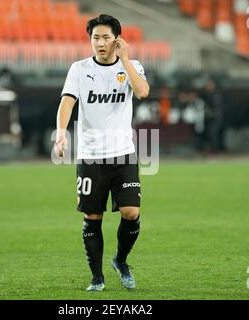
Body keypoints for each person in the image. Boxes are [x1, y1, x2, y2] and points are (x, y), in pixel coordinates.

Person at [54, 14, 150, 292]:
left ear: (117, 39)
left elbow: (142, 91)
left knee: (131, 213)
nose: (100, 42)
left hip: (123, 155)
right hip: (91, 156)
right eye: (95, 37)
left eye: (106, 37)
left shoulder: (132, 67)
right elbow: (66, 104)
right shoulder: (79, 69)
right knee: (93, 217)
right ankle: (97, 277)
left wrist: (126, 59)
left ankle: (120, 261)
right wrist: (61, 133)